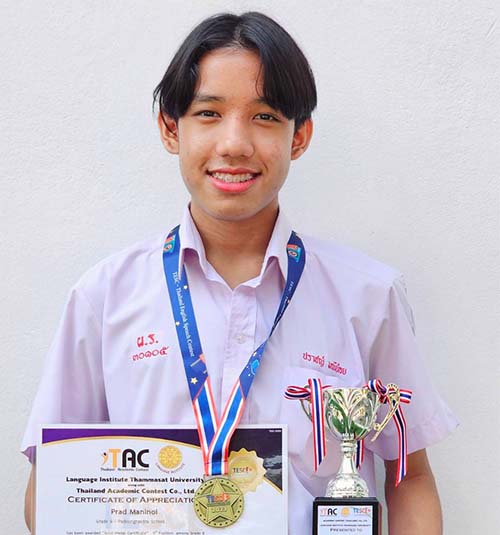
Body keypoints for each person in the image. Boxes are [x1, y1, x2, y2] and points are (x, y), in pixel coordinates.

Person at [23, 11, 457, 534]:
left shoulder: (367, 296)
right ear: (170, 128)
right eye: (208, 113)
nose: (234, 143)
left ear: (299, 137)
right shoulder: (104, 297)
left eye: (265, 116)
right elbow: (53, 484)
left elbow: (409, 477)